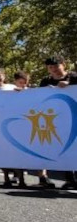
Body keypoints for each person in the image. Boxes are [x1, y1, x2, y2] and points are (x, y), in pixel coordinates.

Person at [39, 56, 77, 189]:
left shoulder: (73, 77)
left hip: (74, 118)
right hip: (56, 120)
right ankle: (70, 179)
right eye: (50, 67)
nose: (54, 70)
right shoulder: (45, 81)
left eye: (56, 66)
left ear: (63, 64)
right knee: (64, 148)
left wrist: (70, 86)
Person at [0, 68, 26, 188]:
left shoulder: (11, 88)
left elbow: (24, 99)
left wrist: (22, 92)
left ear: (4, 76)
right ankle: (6, 177)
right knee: (2, 152)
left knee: (16, 152)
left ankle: (21, 179)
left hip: (12, 125)